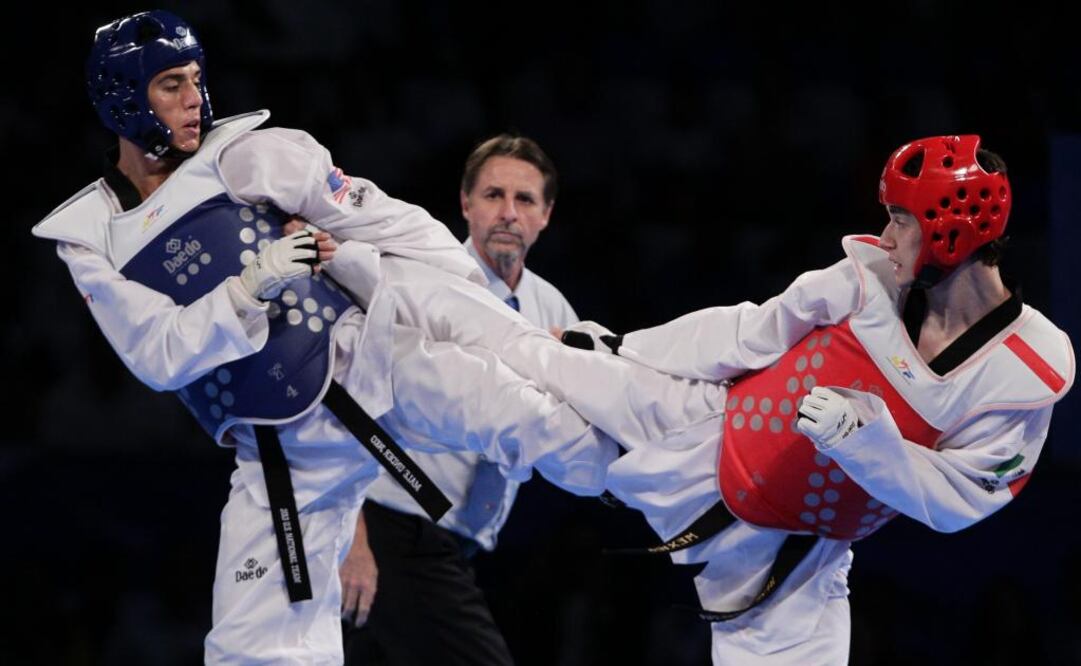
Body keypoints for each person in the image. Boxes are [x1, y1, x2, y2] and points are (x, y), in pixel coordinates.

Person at [33, 11, 617, 664]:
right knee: (251, 650)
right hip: (281, 449)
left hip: (367, 357)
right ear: (122, 97)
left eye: (197, 78)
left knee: (533, 413)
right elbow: (159, 356)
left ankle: (685, 458)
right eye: (173, 84)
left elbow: (388, 221)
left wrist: (470, 305)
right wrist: (250, 285)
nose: (195, 98)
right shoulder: (90, 237)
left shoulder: (247, 154)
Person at [436, 135, 1075, 664]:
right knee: (529, 365)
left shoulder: (1023, 372)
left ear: (949, 231)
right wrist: (619, 345)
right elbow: (745, 332)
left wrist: (864, 439)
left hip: (797, 557)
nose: (884, 235)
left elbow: (959, 499)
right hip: (703, 426)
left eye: (901, 220)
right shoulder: (866, 280)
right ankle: (397, 290)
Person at [339, 134, 577, 665]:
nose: (508, 212)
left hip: (466, 540)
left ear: (545, 215)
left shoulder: (554, 310)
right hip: (390, 522)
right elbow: (345, 400)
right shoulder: (420, 280)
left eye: (525, 199)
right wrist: (351, 536)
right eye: (493, 195)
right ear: (466, 203)